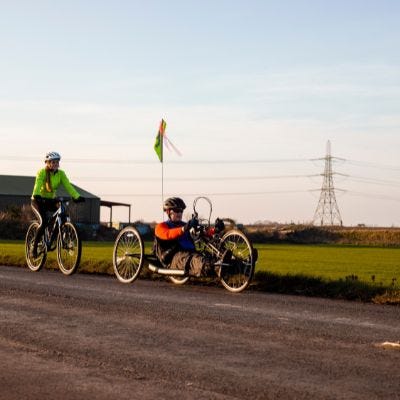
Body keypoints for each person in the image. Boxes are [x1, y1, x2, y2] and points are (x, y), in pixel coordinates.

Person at [31, 151, 85, 258]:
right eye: (53, 162)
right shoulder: (42, 172)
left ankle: (52, 238)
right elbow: (38, 184)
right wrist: (37, 194)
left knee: (63, 215)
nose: (55, 164)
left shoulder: (61, 174)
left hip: (50, 200)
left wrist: (77, 196)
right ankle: (34, 248)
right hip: (38, 200)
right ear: (47, 163)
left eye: (57, 162)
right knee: (43, 221)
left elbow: (68, 186)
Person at [154, 197, 213, 277]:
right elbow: (168, 234)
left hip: (189, 253)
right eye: (176, 211)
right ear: (168, 212)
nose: (179, 213)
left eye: (181, 211)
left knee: (209, 257)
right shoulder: (161, 226)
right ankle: (209, 267)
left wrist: (214, 230)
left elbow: (202, 233)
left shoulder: (184, 224)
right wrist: (184, 228)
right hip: (173, 257)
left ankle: (223, 266)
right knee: (198, 261)